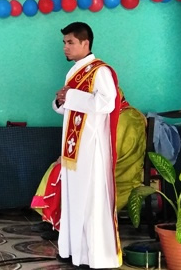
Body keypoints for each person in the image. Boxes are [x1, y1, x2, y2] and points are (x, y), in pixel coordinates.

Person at [32, 88, 147, 242]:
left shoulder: (130, 117)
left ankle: (68, 228)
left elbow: (115, 151)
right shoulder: (107, 114)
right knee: (58, 169)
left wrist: (81, 161)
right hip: (97, 163)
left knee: (76, 178)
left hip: (119, 171)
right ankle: (52, 220)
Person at [52, 22, 122, 268]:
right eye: (64, 42)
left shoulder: (100, 70)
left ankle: (95, 257)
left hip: (92, 148)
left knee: (91, 201)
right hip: (74, 148)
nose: (65, 47)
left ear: (85, 43)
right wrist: (61, 101)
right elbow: (73, 109)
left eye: (70, 42)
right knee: (73, 199)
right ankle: (73, 251)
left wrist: (70, 96)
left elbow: (107, 103)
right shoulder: (74, 72)